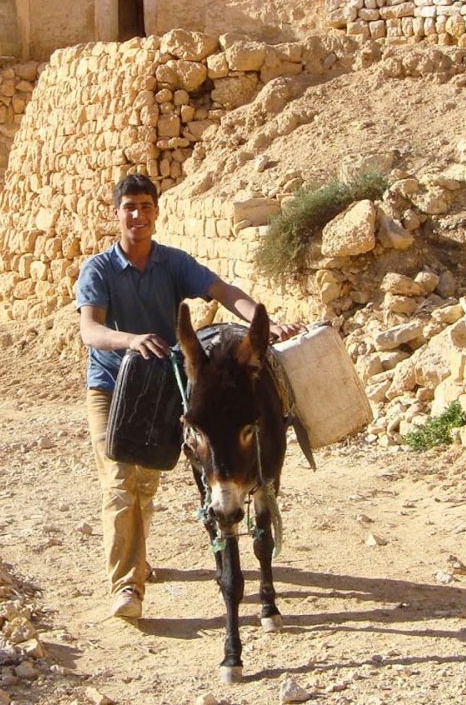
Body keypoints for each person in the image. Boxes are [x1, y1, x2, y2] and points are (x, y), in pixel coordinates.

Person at [75, 174, 301, 620]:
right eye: (129, 207)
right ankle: (127, 586)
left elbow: (226, 293)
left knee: (147, 481)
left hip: (164, 387)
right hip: (112, 387)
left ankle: (136, 556)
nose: (138, 215)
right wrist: (131, 340)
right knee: (121, 482)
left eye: (145, 206)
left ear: (156, 212)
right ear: (116, 213)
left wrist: (263, 324)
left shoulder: (172, 264)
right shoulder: (98, 270)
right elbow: (90, 330)